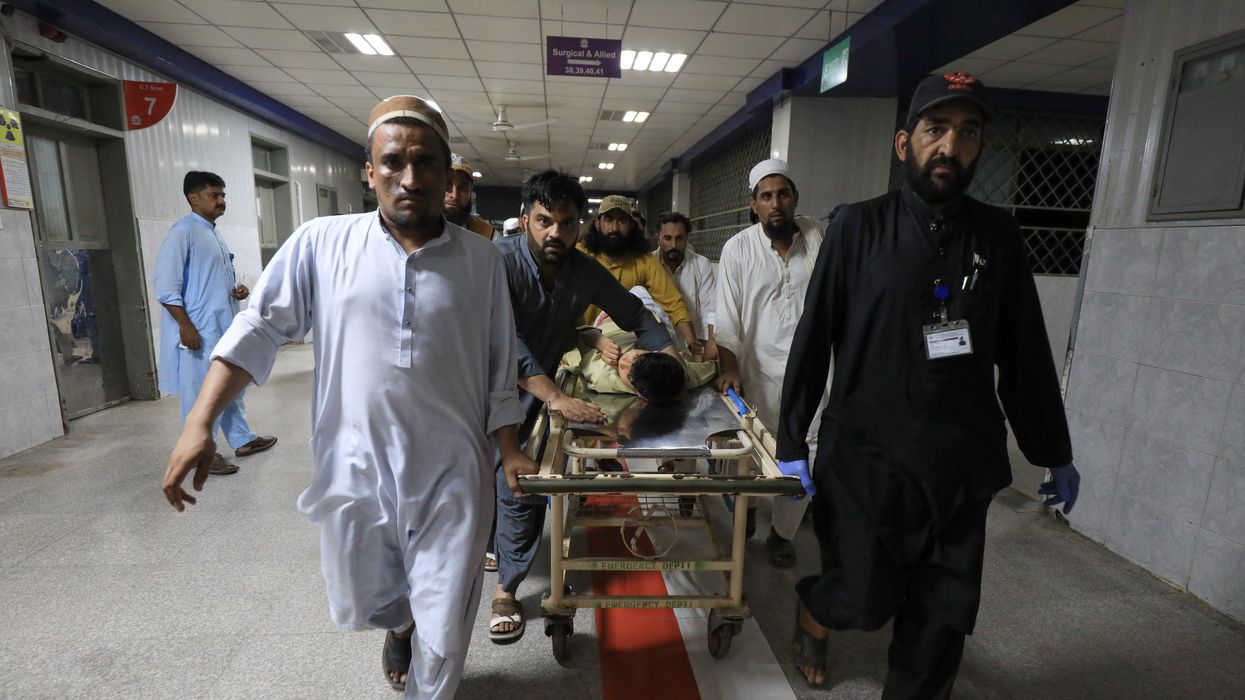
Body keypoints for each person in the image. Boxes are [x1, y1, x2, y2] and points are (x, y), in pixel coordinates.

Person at [160, 95, 537, 700]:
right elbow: (257, 326)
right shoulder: (320, 243)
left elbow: (500, 364)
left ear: (448, 177)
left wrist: (509, 450)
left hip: (454, 469)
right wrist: (200, 421)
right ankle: (399, 622)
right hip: (353, 464)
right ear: (370, 171)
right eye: (393, 162)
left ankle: (428, 670)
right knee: (366, 596)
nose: (408, 178)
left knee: (447, 621)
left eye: (425, 163)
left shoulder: (481, 260)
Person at [777, 72, 1082, 696]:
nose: (950, 145)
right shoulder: (856, 230)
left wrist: (1053, 449)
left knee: (942, 615)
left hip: (959, 462)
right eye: (935, 130)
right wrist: (790, 441)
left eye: (968, 133)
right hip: (866, 460)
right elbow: (813, 341)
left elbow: (1025, 352)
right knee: (863, 599)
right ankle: (816, 607)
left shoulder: (998, 237)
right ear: (903, 144)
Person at [489, 171, 673, 644]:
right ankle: (501, 569)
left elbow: (636, 315)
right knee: (490, 480)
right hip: (490, 387)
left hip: (542, 389)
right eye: (545, 221)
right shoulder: (498, 263)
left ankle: (505, 585)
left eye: (567, 224)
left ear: (579, 225)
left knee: (521, 485)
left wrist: (666, 361)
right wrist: (557, 397)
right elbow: (502, 340)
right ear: (525, 218)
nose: (556, 233)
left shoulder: (584, 270)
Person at [714, 159, 827, 568]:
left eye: (783, 194)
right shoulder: (738, 249)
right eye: (766, 196)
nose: (775, 203)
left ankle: (782, 534)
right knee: (746, 454)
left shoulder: (820, 239)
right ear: (754, 204)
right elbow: (726, 318)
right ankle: (743, 520)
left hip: (815, 375)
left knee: (804, 457)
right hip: (755, 373)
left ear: (794, 198)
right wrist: (728, 367)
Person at [154, 171, 277, 476]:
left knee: (229, 385)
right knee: (200, 393)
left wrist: (237, 289)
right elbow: (167, 288)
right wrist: (185, 326)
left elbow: (211, 279)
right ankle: (198, 453)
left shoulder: (211, 232)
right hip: (198, 330)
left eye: (223, 195)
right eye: (214, 195)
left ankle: (242, 439)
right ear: (193, 198)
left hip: (222, 326)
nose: (221, 201)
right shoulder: (182, 233)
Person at [577, 195, 700, 354]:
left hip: (629, 348)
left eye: (622, 220)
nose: (614, 227)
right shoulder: (579, 256)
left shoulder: (643, 261)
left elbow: (673, 302)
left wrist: (692, 341)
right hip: (585, 341)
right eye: (608, 219)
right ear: (597, 223)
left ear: (631, 226)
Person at [655, 211, 717, 360]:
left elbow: (708, 310)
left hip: (694, 348)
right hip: (658, 347)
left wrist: (708, 347)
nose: (673, 245)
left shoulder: (701, 265)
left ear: (687, 238)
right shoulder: (649, 264)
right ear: (659, 237)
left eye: (679, 238)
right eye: (668, 238)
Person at [444, 153, 494, 239]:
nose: (455, 195)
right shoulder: (414, 229)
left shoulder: (486, 233)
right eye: (447, 185)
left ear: (471, 192)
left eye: (463, 188)